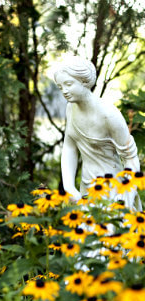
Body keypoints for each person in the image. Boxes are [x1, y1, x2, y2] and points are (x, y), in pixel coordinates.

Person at [54, 56, 141, 210]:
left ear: (84, 81)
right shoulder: (71, 109)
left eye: (68, 84)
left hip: (113, 189)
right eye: (60, 87)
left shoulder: (109, 115)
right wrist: (68, 186)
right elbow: (69, 147)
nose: (64, 91)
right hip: (87, 188)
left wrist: (126, 194)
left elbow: (131, 158)